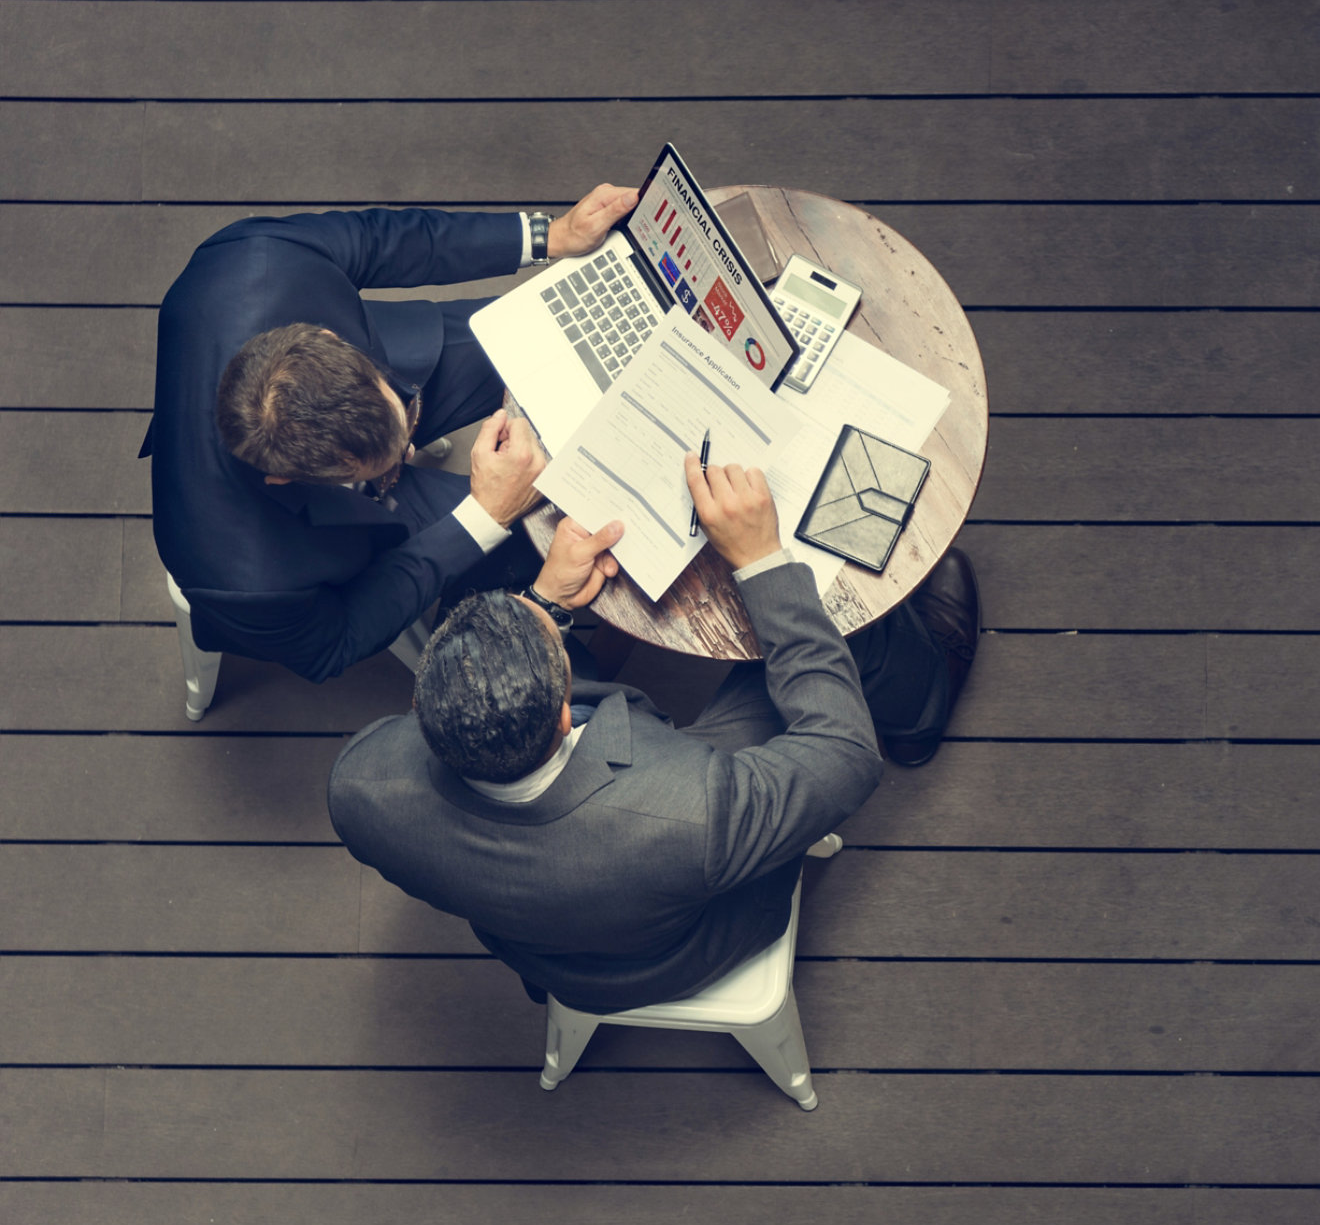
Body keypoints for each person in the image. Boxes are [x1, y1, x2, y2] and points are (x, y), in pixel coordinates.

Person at [327, 453, 980, 1014]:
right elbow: (845, 755)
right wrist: (760, 562)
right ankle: (921, 711)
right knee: (841, 641)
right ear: (562, 713)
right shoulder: (691, 812)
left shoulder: (361, 784)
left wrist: (546, 598)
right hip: (686, 942)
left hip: (552, 954)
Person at [142, 185, 638, 682]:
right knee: (537, 535)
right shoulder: (244, 579)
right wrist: (485, 517)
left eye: (402, 423)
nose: (412, 448)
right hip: (347, 529)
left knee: (548, 329)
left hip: (393, 360)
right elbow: (337, 641)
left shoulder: (258, 256)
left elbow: (384, 241)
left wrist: (550, 235)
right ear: (282, 479)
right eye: (390, 458)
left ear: (329, 337)